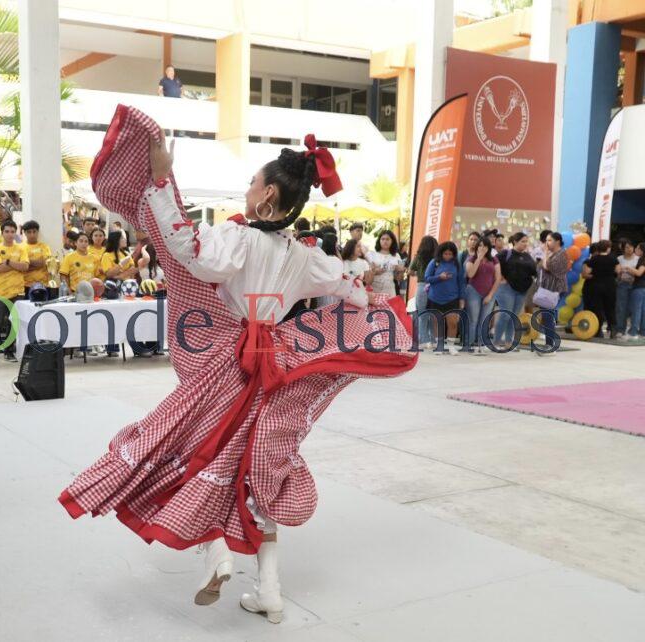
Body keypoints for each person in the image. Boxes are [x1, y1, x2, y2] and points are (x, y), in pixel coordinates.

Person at [59, 112, 415, 625]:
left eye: (252, 182)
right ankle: (268, 589)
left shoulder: (240, 241)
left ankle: (219, 555)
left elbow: (187, 250)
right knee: (262, 468)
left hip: (226, 362)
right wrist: (382, 304)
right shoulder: (306, 256)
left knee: (201, 451)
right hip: (276, 367)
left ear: (268, 196)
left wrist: (161, 184)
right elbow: (353, 292)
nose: (246, 189)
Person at [0, 220, 28, 363]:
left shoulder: (21, 249)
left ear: (15, 232)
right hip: (0, 291)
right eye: (7, 231)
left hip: (18, 291)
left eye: (12, 231)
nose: (10, 234)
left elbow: (25, 267)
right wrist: (16, 265)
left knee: (13, 323)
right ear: (2, 233)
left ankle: (9, 351)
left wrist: (8, 262)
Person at [494, 233, 537, 349]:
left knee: (513, 316)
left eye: (526, 241)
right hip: (506, 288)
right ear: (515, 242)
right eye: (523, 241)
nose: (525, 244)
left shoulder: (528, 256)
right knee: (505, 314)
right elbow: (494, 265)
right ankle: (496, 341)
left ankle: (509, 342)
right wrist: (501, 278)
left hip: (522, 290)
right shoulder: (505, 254)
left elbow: (534, 271)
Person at [424, 241, 465, 355]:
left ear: (454, 254)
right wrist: (439, 277)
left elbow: (461, 282)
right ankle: (439, 345)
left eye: (450, 254)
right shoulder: (434, 262)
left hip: (452, 298)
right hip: (435, 297)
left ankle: (451, 346)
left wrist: (462, 298)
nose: (447, 256)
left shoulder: (457, 264)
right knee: (437, 322)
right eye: (445, 254)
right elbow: (427, 278)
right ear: (441, 253)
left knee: (452, 323)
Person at [463, 236, 501, 353]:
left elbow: (498, 278)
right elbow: (470, 274)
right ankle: (469, 344)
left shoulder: (494, 260)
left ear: (489, 248)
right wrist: (478, 259)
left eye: (485, 246)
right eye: (480, 245)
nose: (482, 248)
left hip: (489, 292)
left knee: (484, 319)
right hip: (473, 291)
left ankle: (481, 344)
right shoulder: (471, 259)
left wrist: (490, 295)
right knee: (473, 319)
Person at [536, 232, 569, 353]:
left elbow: (547, 267)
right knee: (547, 316)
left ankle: (550, 344)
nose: (546, 243)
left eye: (549, 240)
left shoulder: (561, 254)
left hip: (554, 288)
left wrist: (545, 254)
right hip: (547, 288)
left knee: (548, 316)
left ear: (557, 242)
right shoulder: (553, 253)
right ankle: (549, 343)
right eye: (546, 240)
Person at [582, 239, 619, 339]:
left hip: (596, 286)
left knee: (598, 308)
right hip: (610, 285)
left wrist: (595, 275)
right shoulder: (613, 258)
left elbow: (586, 273)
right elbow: (618, 271)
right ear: (608, 248)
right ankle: (613, 329)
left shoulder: (594, 259)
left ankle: (598, 331)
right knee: (610, 307)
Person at [408, 235, 437, 349]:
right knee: (432, 313)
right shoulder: (436, 259)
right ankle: (433, 340)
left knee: (421, 313)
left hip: (421, 285)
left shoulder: (418, 257)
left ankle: (423, 340)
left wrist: (418, 274)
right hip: (434, 286)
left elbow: (410, 271)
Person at [21, 220, 54, 298]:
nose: (32, 235)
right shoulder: (20, 248)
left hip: (44, 285)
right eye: (29, 232)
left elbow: (45, 263)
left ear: (37, 232)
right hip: (27, 286)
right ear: (25, 233)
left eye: (34, 232)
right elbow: (22, 268)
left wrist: (28, 262)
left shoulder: (44, 247)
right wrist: (38, 263)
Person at [367, 230, 405, 296]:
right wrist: (375, 271)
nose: (385, 241)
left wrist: (401, 271)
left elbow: (398, 278)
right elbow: (366, 274)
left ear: (392, 241)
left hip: (390, 291)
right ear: (379, 240)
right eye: (383, 239)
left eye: (387, 239)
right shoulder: (372, 254)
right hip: (374, 290)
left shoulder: (396, 256)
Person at [615, 238, 638, 339]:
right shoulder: (619, 259)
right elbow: (617, 272)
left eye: (631, 247)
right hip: (622, 285)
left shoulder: (638, 259)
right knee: (621, 308)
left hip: (635, 286)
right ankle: (620, 329)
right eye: (627, 247)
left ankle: (633, 330)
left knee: (634, 308)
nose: (629, 249)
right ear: (623, 248)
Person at [627, 243, 645, 341]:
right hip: (643, 288)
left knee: (636, 310)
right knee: (642, 311)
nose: (635, 249)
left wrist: (629, 268)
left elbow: (639, 273)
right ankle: (642, 332)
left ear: (642, 250)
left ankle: (633, 332)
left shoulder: (642, 261)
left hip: (639, 288)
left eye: (637, 248)